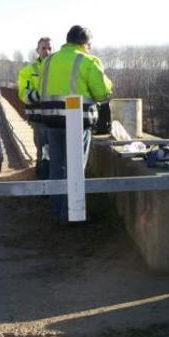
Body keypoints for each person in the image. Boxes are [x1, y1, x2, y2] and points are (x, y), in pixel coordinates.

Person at [35, 25, 112, 219]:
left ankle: (56, 210)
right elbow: (103, 93)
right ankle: (73, 212)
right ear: (85, 43)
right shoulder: (87, 60)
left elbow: (40, 89)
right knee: (76, 169)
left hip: (52, 121)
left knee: (57, 167)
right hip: (77, 123)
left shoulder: (49, 61)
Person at [18, 37, 52, 179]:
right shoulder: (28, 71)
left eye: (50, 48)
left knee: (57, 153)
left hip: (60, 118)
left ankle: (55, 186)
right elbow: (23, 94)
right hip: (40, 119)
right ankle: (44, 186)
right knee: (43, 153)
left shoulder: (58, 68)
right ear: (37, 50)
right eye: (44, 48)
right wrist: (43, 94)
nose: (47, 51)